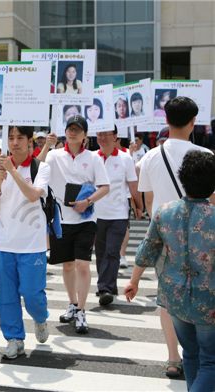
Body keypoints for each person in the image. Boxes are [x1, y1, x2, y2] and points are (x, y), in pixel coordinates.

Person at [136, 96, 214, 378]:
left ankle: (173, 357)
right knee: (204, 297)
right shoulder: (207, 157)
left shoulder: (149, 157)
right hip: (202, 239)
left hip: (163, 239)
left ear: (165, 121)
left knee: (169, 299)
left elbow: (146, 203)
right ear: (193, 121)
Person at [125, 150, 215, 391]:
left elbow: (146, 251)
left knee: (191, 353)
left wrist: (134, 280)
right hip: (209, 300)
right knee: (211, 360)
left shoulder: (165, 212)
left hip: (173, 296)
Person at [0, 126, 51, 359]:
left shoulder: (41, 167)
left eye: (19, 138)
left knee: (32, 295)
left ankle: (41, 317)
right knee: (6, 296)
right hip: (3, 244)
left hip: (32, 245)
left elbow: (34, 195)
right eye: (10, 138)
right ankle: (14, 338)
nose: (14, 143)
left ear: (29, 142)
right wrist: (0, 179)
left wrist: (12, 172)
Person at [45, 115, 110, 334]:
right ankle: (72, 303)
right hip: (61, 219)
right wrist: (46, 145)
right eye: (69, 129)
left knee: (83, 264)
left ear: (84, 135)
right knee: (68, 265)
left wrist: (88, 201)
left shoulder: (93, 158)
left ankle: (82, 310)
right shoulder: (54, 156)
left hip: (85, 219)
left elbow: (104, 187)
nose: (72, 132)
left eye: (77, 129)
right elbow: (37, 168)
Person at [94, 127, 142, 306]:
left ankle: (104, 288)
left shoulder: (125, 158)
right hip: (96, 215)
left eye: (106, 134)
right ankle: (109, 285)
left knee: (112, 251)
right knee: (100, 253)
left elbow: (132, 184)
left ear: (115, 137)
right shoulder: (93, 157)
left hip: (119, 213)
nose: (103, 137)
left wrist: (138, 206)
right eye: (100, 134)